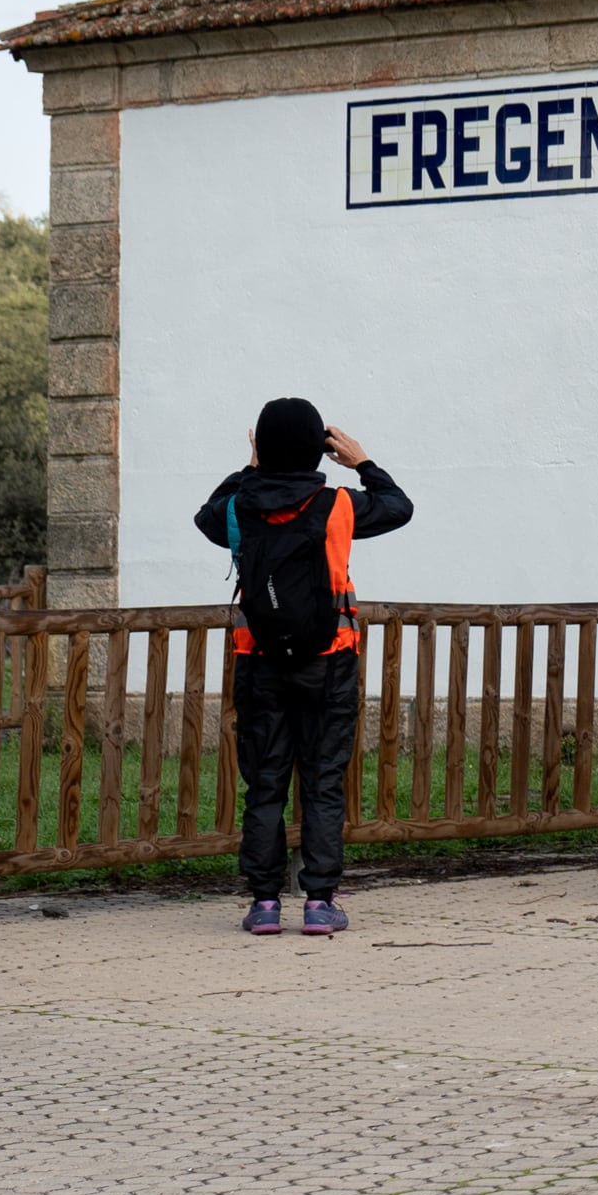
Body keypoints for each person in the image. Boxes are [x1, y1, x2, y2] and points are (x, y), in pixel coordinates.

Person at [195, 397, 413, 936]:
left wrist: (249, 467)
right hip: (329, 662)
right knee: (322, 783)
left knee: (265, 783)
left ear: (263, 448)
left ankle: (264, 904)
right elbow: (398, 506)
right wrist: (360, 460)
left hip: (259, 662)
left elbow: (207, 516)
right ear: (318, 446)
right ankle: (319, 902)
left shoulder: (240, 507)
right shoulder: (338, 505)